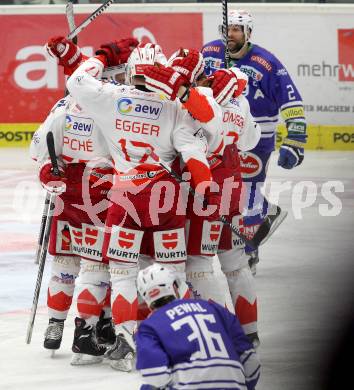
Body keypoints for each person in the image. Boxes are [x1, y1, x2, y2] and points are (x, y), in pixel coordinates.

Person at [51, 39, 215, 371]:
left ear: (129, 71)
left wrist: (99, 58)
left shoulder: (111, 98)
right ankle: (179, 342)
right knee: (172, 273)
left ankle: (125, 343)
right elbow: (198, 144)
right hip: (164, 198)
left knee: (122, 273)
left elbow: (76, 82)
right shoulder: (174, 107)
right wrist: (205, 187)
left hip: (124, 197)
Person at [32, 36, 138, 365]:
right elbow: (42, 146)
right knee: (100, 265)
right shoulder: (115, 103)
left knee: (70, 264)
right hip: (101, 194)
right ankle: (84, 328)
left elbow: (41, 144)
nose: (123, 80)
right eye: (120, 73)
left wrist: (51, 171)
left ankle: (71, 324)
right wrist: (50, 170)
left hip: (76, 194)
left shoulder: (72, 100)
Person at [143, 52, 261, 345]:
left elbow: (179, 146)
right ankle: (250, 333)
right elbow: (250, 141)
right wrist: (235, 91)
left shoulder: (185, 105)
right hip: (232, 182)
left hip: (202, 187)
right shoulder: (236, 96)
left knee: (197, 263)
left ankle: (222, 336)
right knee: (235, 261)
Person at [202, 10, 307, 272]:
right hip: (218, 134)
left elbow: (291, 100)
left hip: (256, 138)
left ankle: (248, 251)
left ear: (248, 33)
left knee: (246, 195)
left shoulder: (266, 62)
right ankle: (266, 212)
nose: (231, 34)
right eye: (228, 29)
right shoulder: (209, 52)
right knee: (222, 193)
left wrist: (295, 139)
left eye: (237, 29)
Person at [135, 263, 260, 390]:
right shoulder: (214, 309)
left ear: (146, 298)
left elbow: (155, 375)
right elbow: (251, 361)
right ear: (175, 287)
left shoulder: (149, 327)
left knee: (148, 387)